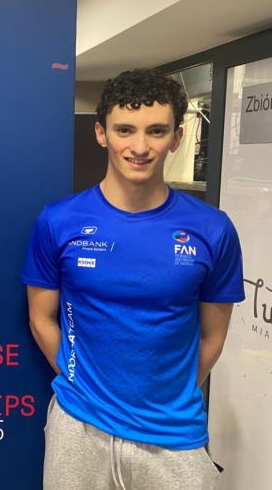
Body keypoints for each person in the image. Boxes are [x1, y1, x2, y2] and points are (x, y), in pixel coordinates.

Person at [22, 68, 244, 490]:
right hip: (79, 428)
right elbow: (41, 318)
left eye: (156, 131)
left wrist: (168, 394)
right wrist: (81, 381)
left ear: (176, 138)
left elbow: (213, 337)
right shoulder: (58, 220)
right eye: (125, 130)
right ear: (102, 134)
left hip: (173, 437)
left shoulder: (213, 229)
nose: (140, 147)